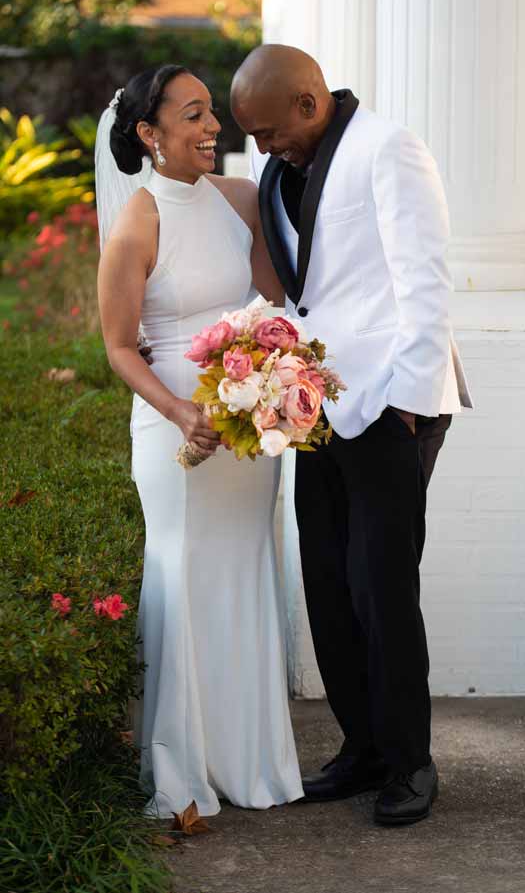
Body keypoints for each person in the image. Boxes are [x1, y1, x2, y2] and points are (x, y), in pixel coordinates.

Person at [230, 44, 473, 827]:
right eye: (254, 137)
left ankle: (409, 761)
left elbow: (425, 280)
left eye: (270, 131)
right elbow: (304, 290)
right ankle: (362, 745)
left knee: (381, 587)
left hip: (389, 404)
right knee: (329, 583)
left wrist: (408, 403)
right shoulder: (280, 165)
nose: (264, 148)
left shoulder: (388, 148)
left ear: (308, 103)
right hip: (315, 406)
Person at [96, 64, 303, 818]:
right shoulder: (138, 221)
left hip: (244, 432)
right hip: (175, 429)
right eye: (193, 115)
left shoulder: (241, 198)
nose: (213, 126)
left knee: (244, 570)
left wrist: (277, 383)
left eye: (211, 111)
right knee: (182, 570)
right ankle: (180, 768)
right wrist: (181, 411)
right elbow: (120, 346)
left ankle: (249, 761)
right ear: (150, 133)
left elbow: (273, 301)